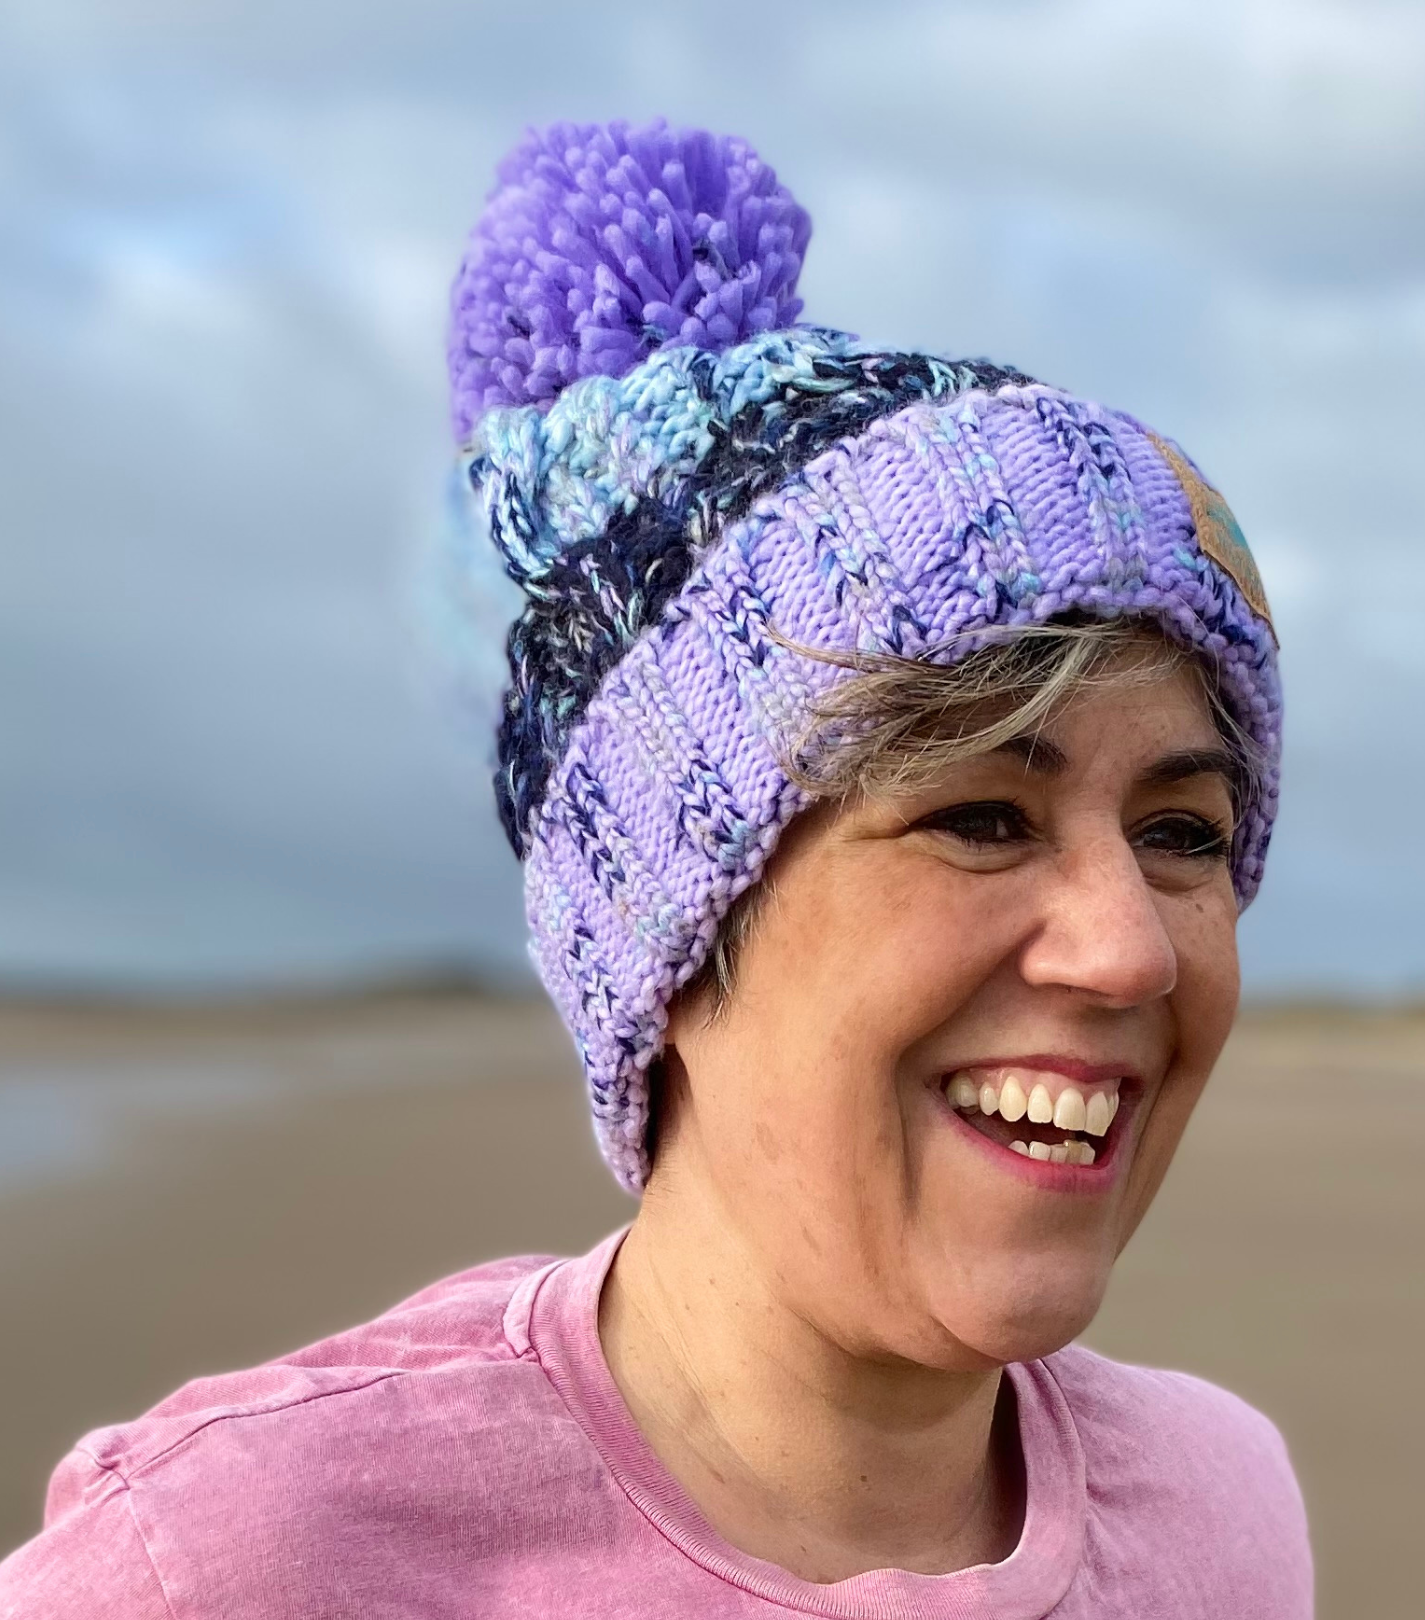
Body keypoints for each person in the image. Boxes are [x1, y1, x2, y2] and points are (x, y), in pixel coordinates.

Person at [0, 119, 1310, 1617]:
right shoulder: (236, 1569)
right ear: (675, 934)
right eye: (983, 816)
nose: (1128, 948)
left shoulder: (1221, 1514)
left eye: (1182, 835)